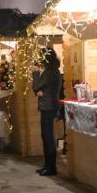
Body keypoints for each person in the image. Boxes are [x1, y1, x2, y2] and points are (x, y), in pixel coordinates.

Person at [32, 48, 62, 176]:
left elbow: (36, 86)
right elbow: (38, 89)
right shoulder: (52, 71)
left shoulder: (50, 72)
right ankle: (47, 165)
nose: (40, 60)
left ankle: (51, 167)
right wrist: (38, 91)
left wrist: (35, 74)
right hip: (48, 106)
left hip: (49, 107)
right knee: (45, 136)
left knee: (48, 137)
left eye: (41, 57)